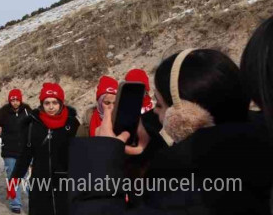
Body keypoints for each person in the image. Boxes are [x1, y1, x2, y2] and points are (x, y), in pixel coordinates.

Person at [70, 48, 273, 214]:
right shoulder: (256, 149)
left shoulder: (189, 195)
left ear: (186, 114)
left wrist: (101, 159)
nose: (154, 115)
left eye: (158, 105)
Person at [8, 83, 79, 215]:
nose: (51, 107)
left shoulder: (72, 123)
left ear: (61, 103)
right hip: (40, 180)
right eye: (47, 103)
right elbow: (25, 154)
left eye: (55, 102)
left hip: (65, 181)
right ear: (42, 104)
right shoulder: (33, 124)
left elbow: (81, 154)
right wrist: (15, 178)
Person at [0, 89, 31, 214]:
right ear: (9, 101)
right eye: (12, 100)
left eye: (17, 100)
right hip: (9, 151)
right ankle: (15, 203)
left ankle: (35, 201)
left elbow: (35, 128)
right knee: (12, 177)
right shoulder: (4, 113)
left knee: (27, 178)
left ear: (20, 100)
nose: (15, 103)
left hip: (25, 152)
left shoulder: (28, 112)